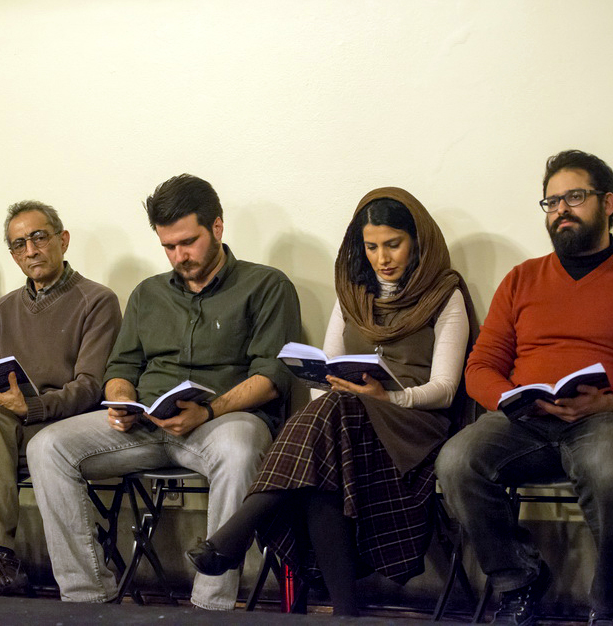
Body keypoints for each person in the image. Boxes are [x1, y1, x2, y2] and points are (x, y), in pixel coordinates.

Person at [187, 187, 476, 616]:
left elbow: (446, 388)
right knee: (326, 445)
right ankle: (345, 612)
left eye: (393, 244)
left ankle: (235, 535)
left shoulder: (444, 295)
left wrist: (389, 396)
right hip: (350, 423)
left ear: (418, 242)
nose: (382, 258)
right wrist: (339, 390)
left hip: (414, 425)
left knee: (332, 419)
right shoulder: (352, 294)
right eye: (372, 247)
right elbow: (326, 375)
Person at [26, 174, 301, 610]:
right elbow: (121, 368)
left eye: (188, 242)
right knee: (46, 447)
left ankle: (211, 605)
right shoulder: (148, 293)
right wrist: (120, 398)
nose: (179, 256)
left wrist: (208, 412)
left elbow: (272, 377)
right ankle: (85, 596)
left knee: (240, 446)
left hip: (220, 424)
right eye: (168, 246)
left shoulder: (266, 285)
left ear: (217, 227)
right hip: (146, 424)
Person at [435, 150, 613, 626]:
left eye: (574, 197)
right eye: (552, 201)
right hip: (527, 421)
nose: (561, 209)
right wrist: (513, 400)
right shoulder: (521, 279)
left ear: (608, 203)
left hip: (609, 418)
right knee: (456, 461)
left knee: (607, 472)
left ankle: (611, 595)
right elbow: (481, 366)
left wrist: (612, 400)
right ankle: (518, 581)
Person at [0, 201, 121, 596]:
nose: (31, 250)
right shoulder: (3, 310)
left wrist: (33, 407)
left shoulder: (97, 300)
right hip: (8, 423)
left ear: (63, 240)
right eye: (19, 244)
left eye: (39, 238)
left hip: (66, 424)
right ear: (12, 255)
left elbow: (91, 385)